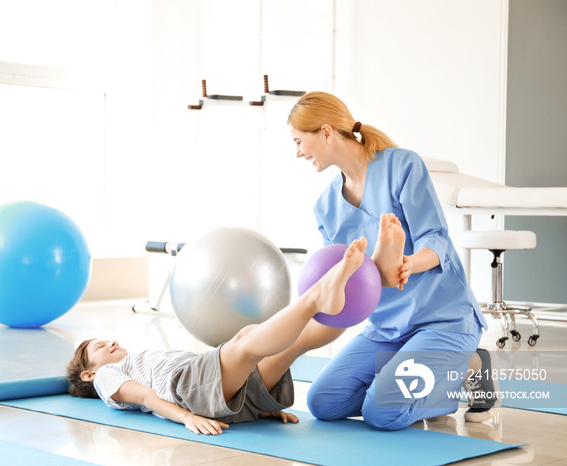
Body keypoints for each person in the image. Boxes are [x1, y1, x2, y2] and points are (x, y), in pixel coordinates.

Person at [287, 91, 499, 430]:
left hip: (441, 319)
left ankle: (471, 364)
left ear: (326, 132)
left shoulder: (402, 165)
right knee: (323, 402)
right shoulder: (325, 206)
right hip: (387, 328)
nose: (297, 152)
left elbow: (436, 238)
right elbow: (343, 279)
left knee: (381, 412)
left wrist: (408, 265)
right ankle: (411, 384)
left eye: (300, 141)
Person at [67, 235, 398, 435]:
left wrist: (261, 407)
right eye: (100, 345)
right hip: (188, 392)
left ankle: (369, 287)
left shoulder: (124, 364)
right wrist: (185, 419)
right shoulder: (105, 376)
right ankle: (316, 299)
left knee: (296, 344)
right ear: (88, 371)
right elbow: (145, 398)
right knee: (245, 341)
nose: (111, 342)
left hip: (225, 398)